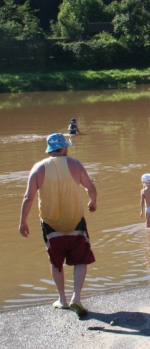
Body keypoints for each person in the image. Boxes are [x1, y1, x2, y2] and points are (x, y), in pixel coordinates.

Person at [18, 133, 97, 316]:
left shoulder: (38, 168)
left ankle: (62, 299)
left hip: (51, 223)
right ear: (64, 148)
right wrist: (92, 202)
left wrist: (23, 221)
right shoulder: (75, 164)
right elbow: (90, 188)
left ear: (49, 149)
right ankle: (76, 297)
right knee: (81, 259)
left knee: (56, 262)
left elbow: (28, 197)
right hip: (75, 221)